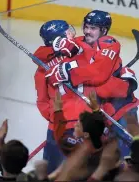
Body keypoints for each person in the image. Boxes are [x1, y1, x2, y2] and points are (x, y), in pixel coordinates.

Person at [45, 10, 139, 157]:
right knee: (103, 155)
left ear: (104, 30)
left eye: (93, 28)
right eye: (86, 26)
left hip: (122, 107)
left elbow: (98, 74)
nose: (87, 31)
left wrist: (68, 73)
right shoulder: (80, 41)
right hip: (101, 110)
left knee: (127, 154)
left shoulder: (110, 44)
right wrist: (59, 45)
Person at [34, 19, 99, 174]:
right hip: (84, 124)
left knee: (50, 172)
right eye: (67, 32)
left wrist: (56, 119)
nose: (72, 33)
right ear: (59, 39)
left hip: (58, 126)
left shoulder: (42, 69)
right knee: (84, 171)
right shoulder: (83, 54)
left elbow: (43, 103)